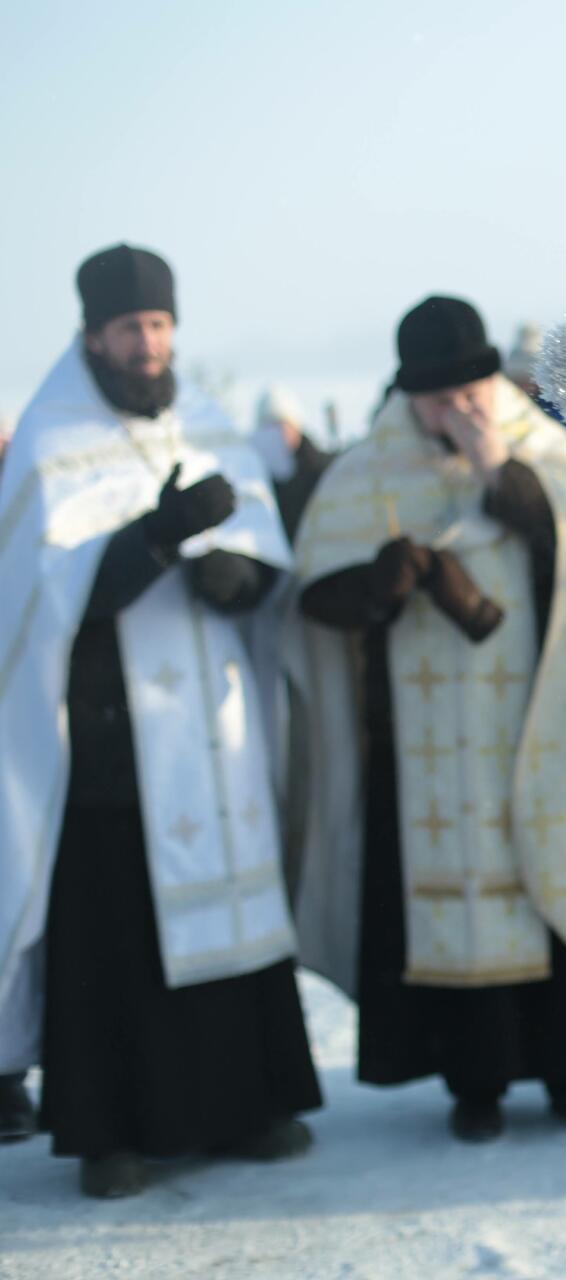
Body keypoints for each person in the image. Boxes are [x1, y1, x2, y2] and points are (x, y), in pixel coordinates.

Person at [292, 296, 566, 1142]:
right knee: (447, 909)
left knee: (550, 884)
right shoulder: (365, 473)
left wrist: (499, 471)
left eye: (471, 393)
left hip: (543, 725)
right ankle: (474, 1082)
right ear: (408, 395)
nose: (457, 412)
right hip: (423, 750)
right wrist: (380, 582)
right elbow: (316, 597)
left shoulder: (549, 457)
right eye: (438, 400)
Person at [0, 244, 320, 1198]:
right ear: (93, 334)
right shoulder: (50, 440)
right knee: (114, 932)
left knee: (232, 903)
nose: (147, 345)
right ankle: (112, 1134)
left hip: (215, 727)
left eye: (159, 326)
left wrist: (236, 574)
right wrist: (156, 536)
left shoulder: (209, 423)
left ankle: (249, 1107)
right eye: (129, 329)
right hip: (107, 738)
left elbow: (263, 566)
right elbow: (47, 599)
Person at [252, 385, 332, 539]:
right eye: (271, 426)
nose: (278, 433)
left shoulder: (323, 470)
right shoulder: (254, 479)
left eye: (283, 424)